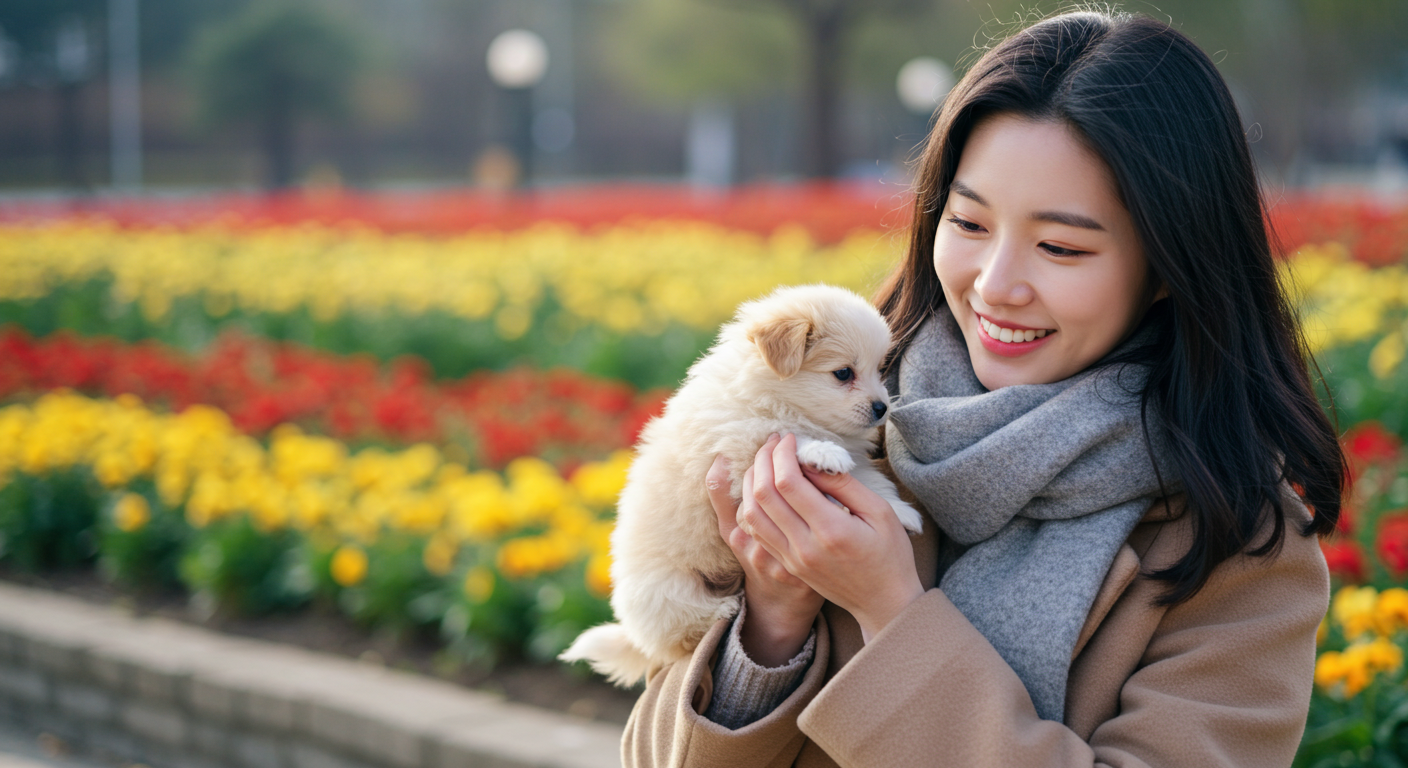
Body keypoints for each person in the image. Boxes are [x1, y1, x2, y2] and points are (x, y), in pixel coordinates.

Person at [620, 9, 1345, 768]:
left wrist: (890, 612)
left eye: (1059, 246)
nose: (996, 286)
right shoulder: (839, 428)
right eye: (968, 224)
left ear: (1171, 266)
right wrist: (773, 619)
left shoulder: (1242, 546)